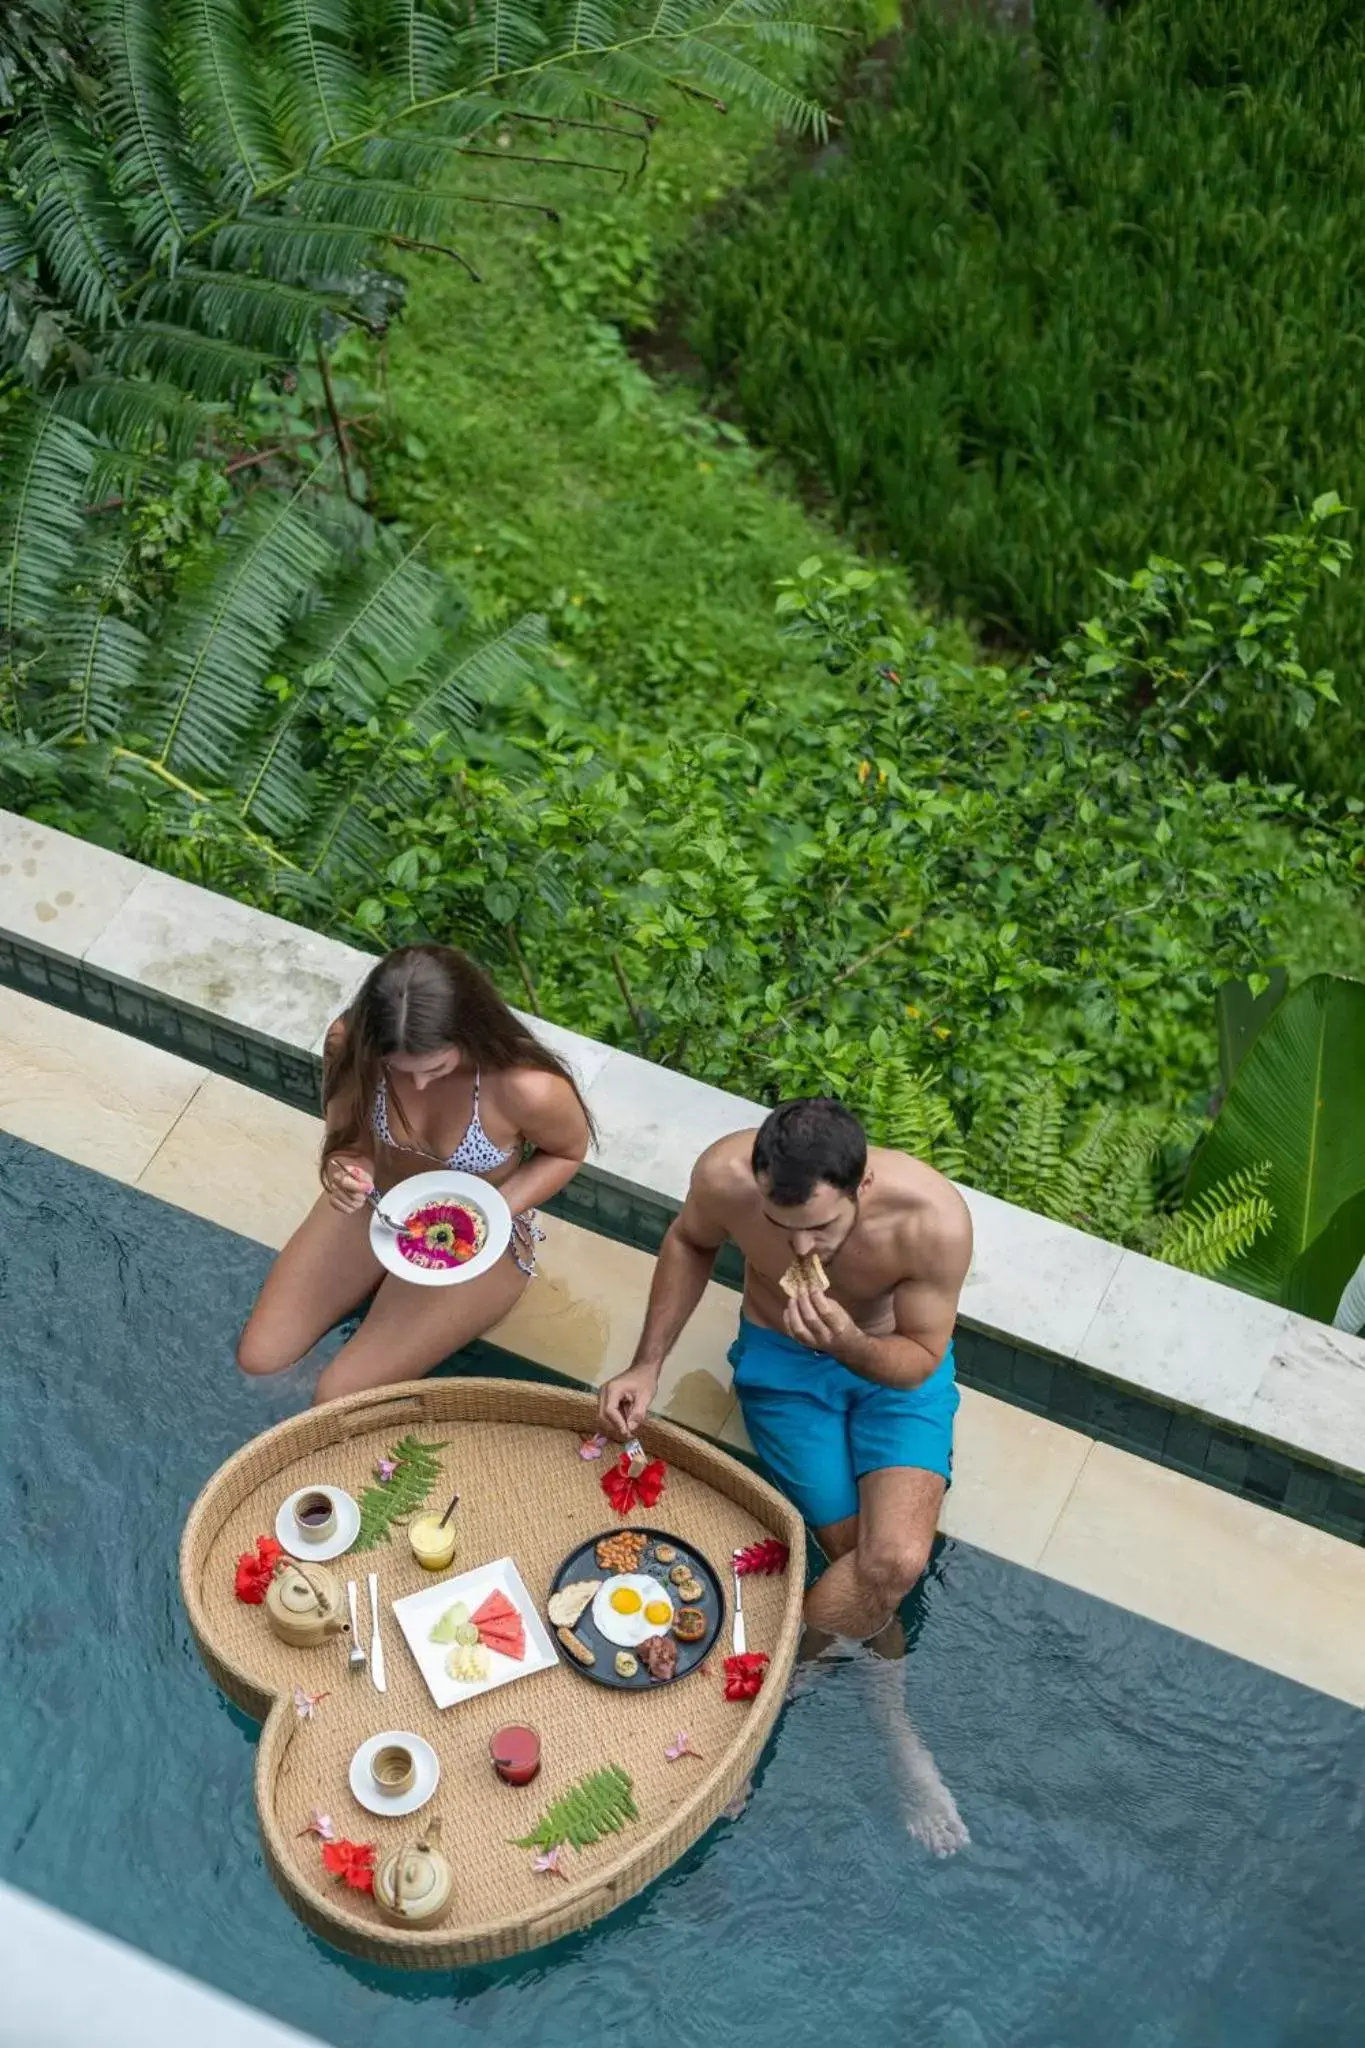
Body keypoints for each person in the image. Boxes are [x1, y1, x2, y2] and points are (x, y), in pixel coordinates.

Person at [598, 1096, 973, 1851]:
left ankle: (755, 1718)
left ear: (862, 1185)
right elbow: (689, 1242)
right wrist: (647, 1361)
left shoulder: (931, 1220)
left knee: (892, 1561)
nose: (803, 1248)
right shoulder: (725, 1176)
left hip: (889, 1372)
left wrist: (846, 1342)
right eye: (783, 1228)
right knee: (869, 1569)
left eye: (823, 1229)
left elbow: (920, 1360)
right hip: (780, 1367)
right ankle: (896, 1732)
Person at [238, 945, 592, 1404]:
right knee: (259, 1360)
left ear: (470, 1032)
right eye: (399, 1070)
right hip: (382, 1201)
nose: (419, 1084)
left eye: (437, 1068)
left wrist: (494, 1209)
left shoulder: (525, 1086)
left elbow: (566, 1152)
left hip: (481, 1230)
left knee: (337, 1395)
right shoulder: (349, 1044)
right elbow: (349, 1142)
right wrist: (347, 1170)